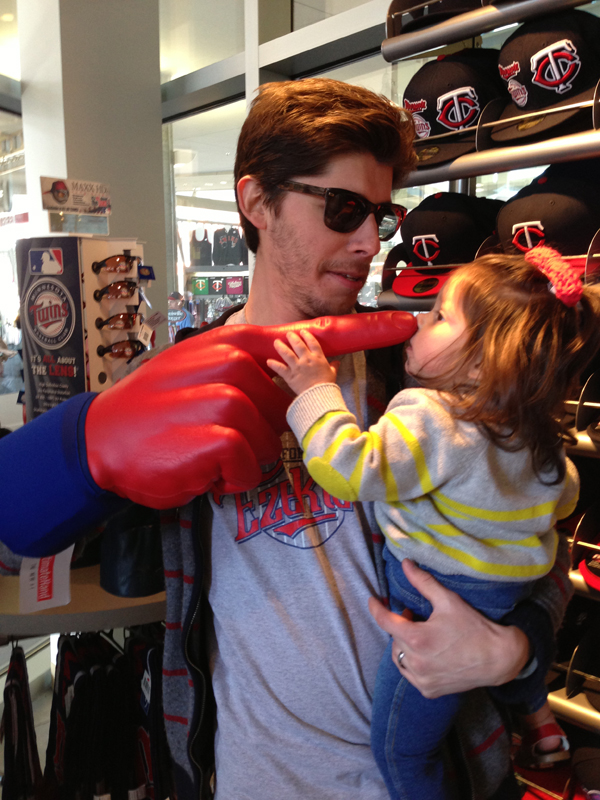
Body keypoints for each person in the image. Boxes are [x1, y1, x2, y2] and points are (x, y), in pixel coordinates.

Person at [0, 79, 572, 800]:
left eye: (381, 216)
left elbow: (531, 537)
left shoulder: (423, 373)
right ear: (257, 202)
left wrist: (515, 650)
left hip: (435, 769)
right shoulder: (178, 382)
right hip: (256, 775)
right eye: (343, 209)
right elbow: (12, 532)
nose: (370, 243)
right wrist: (87, 443)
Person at [268, 245, 600, 798]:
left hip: (431, 605)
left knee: (401, 750)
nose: (420, 319)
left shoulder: (430, 415)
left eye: (441, 315)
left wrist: (314, 392)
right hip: (508, 595)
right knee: (503, 656)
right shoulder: (535, 431)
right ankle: (540, 718)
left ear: (481, 363)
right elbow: (563, 501)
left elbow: (348, 469)